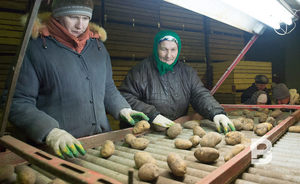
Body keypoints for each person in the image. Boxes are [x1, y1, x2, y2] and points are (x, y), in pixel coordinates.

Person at [8, 0, 148, 159]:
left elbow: (107, 87)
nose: (80, 25)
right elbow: (17, 101)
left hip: (100, 144)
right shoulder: (35, 48)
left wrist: (123, 109)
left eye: (85, 18)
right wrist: (50, 132)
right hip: (58, 150)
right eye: (73, 17)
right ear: (58, 16)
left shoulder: (98, 47)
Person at [119, 30, 235, 133]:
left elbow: (200, 94)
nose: (169, 55)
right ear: (156, 48)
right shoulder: (140, 71)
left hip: (175, 130)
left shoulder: (187, 72)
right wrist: (152, 115)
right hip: (145, 131)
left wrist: (216, 112)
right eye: (164, 49)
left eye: (173, 50)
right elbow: (125, 96)